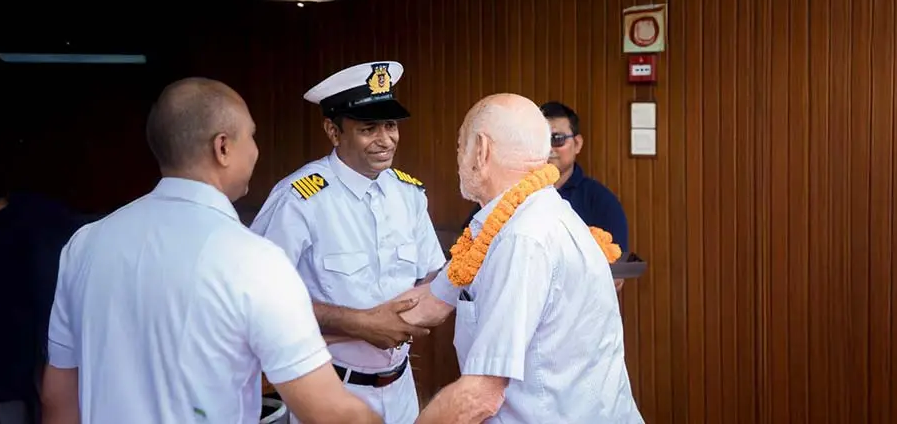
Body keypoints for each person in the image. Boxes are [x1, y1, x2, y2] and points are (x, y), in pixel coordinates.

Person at [41, 78, 380, 424]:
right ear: (223, 148)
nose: (256, 150)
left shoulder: (85, 244)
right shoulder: (253, 261)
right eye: (251, 136)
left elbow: (59, 396)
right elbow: (332, 414)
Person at [406, 94, 643, 423]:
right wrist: (346, 326)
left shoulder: (522, 237)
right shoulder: (511, 218)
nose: (458, 157)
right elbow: (429, 303)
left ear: (482, 150)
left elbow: (481, 395)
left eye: (460, 145)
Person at [249, 61, 447, 424]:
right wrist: (357, 323)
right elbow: (257, 300)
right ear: (333, 131)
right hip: (330, 391)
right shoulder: (299, 200)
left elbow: (431, 277)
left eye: (390, 126)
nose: (386, 140)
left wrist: (406, 319)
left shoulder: (409, 193)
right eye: (368, 129)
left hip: (400, 388)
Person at [460, 100, 630, 291]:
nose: (549, 148)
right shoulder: (507, 195)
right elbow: (468, 249)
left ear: (577, 143)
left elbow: (616, 276)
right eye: (543, 140)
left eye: (557, 139)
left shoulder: (600, 200)